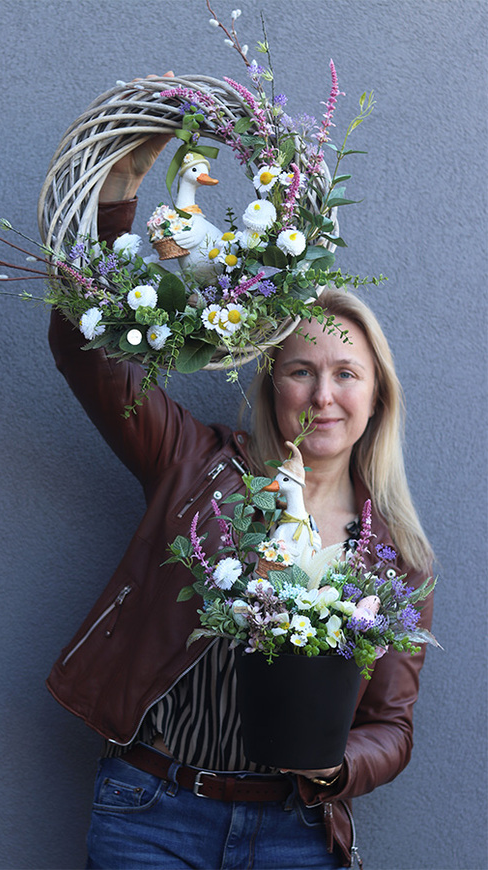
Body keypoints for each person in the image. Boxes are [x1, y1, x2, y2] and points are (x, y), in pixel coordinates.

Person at [46, 132, 434, 870]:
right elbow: (87, 353)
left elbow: (392, 726)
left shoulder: (396, 557)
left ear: (378, 395)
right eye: (301, 370)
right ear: (270, 384)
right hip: (151, 814)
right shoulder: (194, 463)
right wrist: (115, 202)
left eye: (346, 373)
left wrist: (336, 769)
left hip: (295, 832)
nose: (323, 395)